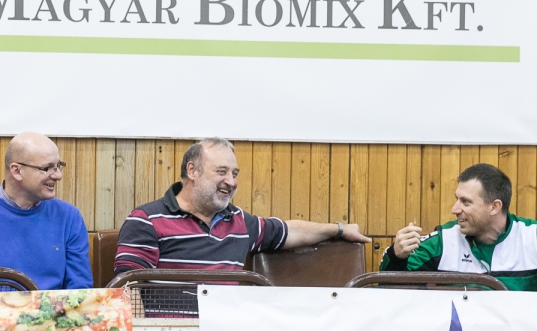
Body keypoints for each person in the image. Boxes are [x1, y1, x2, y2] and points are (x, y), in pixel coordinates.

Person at [114, 137, 370, 275]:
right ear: (192, 171)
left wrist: (338, 229)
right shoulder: (146, 220)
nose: (231, 182)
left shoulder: (239, 222)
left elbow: (291, 231)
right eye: (222, 171)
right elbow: (126, 293)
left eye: (235, 173)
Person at [0, 132, 92, 290]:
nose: (58, 175)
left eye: (58, 166)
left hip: (57, 314)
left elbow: (80, 291)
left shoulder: (69, 217)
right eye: (47, 168)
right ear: (16, 171)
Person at [379, 163, 537, 291]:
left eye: (466, 202)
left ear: (494, 207)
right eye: (457, 199)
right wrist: (396, 256)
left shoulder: (532, 237)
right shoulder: (442, 241)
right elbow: (391, 289)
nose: (454, 209)